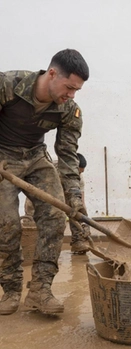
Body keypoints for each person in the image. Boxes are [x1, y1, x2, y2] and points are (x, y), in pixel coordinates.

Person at [0, 49, 89, 315]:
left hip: (37, 158)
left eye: (77, 90)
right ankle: (11, 290)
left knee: (55, 216)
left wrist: (73, 197)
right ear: (52, 74)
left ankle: (40, 290)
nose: (71, 95)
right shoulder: (8, 85)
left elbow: (68, 157)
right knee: (6, 223)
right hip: (3, 157)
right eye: (69, 87)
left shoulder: (69, 110)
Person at [24, 153, 91, 255]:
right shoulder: (50, 167)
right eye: (77, 171)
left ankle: (78, 241)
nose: (79, 175)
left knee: (75, 207)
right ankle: (30, 244)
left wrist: (84, 223)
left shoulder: (79, 179)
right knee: (32, 209)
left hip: (66, 191)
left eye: (80, 173)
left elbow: (81, 202)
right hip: (43, 188)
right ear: (70, 166)